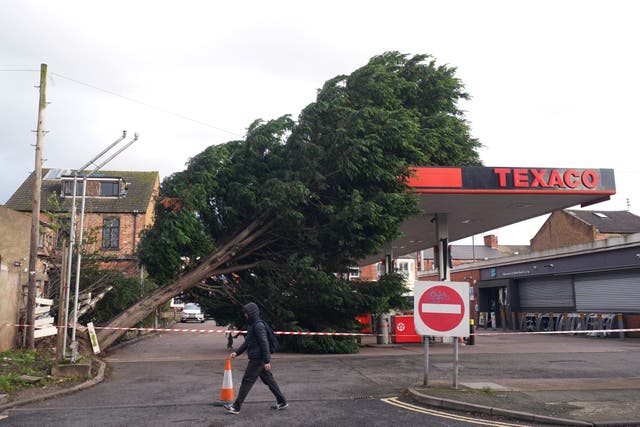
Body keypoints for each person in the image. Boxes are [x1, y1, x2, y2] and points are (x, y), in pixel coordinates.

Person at [223, 302, 287, 415]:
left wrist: (267, 360)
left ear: (251, 313)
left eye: (246, 313)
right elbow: (247, 342)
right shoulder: (252, 325)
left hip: (258, 359)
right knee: (269, 380)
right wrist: (237, 353)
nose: (245, 315)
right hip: (258, 358)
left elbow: (264, 343)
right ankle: (282, 401)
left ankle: (236, 407)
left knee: (246, 381)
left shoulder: (258, 326)